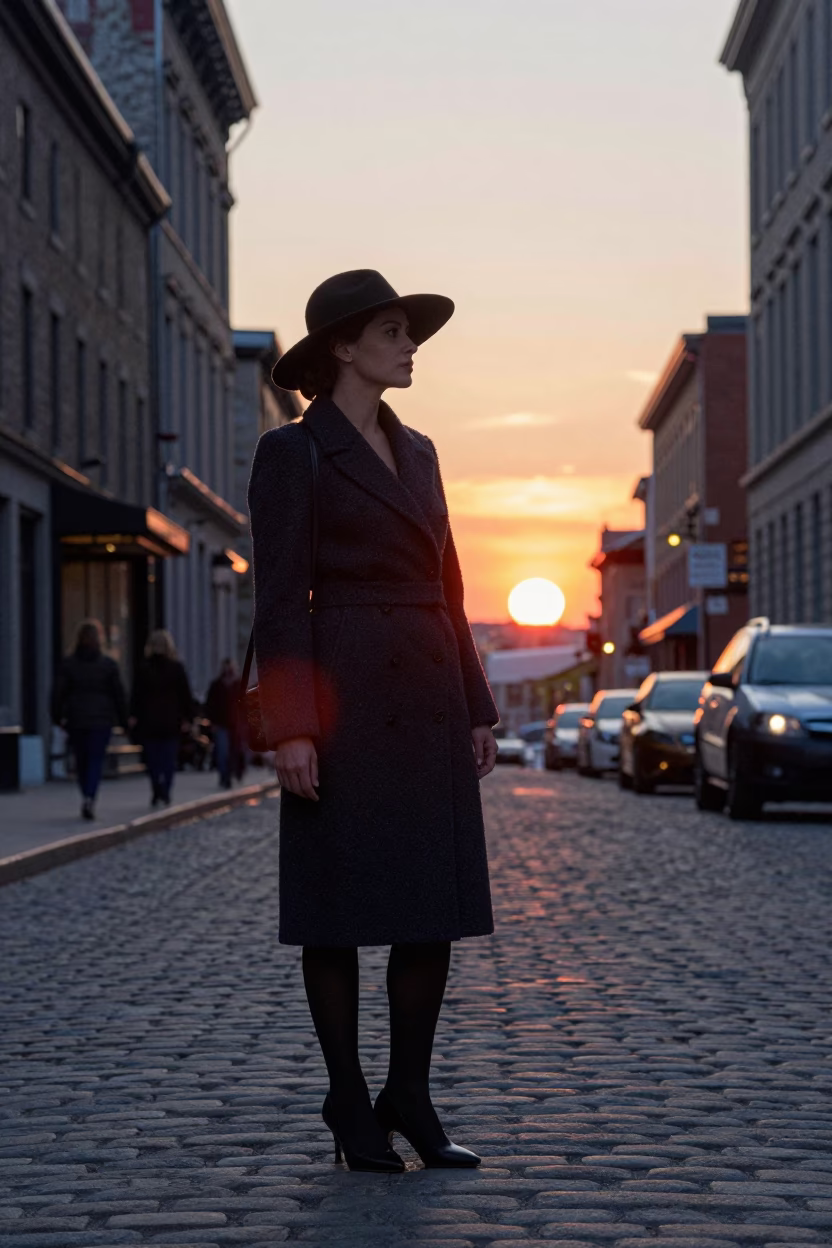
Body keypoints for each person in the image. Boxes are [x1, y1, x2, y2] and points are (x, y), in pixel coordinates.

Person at [249, 270, 499, 1174]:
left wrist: (476, 705)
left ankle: (411, 1093)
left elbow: (452, 588)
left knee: (427, 908)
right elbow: (278, 595)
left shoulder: (423, 450)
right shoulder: (295, 452)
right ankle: (349, 1098)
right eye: (393, 332)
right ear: (343, 349)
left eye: (410, 332)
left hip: (428, 694)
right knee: (338, 909)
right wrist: (293, 726)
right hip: (342, 692)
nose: (410, 345)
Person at [51, 619, 128, 820]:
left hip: (77, 718)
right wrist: (123, 719)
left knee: (82, 759)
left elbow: (58, 693)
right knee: (95, 759)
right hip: (101, 719)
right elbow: (118, 694)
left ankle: (86, 792)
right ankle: (90, 795)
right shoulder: (107, 665)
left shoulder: (69, 664)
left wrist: (57, 716)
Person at [130, 629, 194, 807]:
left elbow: (136, 695)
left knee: (152, 759)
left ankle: (156, 786)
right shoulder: (176, 668)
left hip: (148, 720)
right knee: (168, 758)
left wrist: (133, 715)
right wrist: (188, 718)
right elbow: (185, 696)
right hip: (170, 720)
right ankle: (165, 788)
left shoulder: (143, 668)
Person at [205, 657, 244, 789]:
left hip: (236, 724)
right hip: (221, 724)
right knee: (222, 752)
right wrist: (212, 722)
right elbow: (210, 704)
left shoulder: (239, 684)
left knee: (235, 750)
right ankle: (224, 776)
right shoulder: (216, 685)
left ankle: (233, 773)